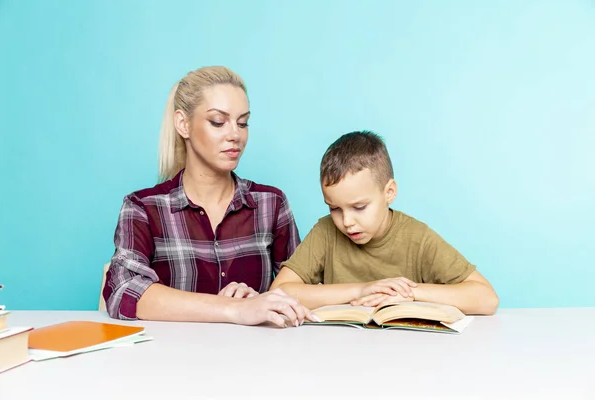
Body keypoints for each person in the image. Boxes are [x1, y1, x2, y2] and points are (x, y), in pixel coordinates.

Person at [103, 66, 318, 327]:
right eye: (218, 122)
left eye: (243, 123)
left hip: (256, 361)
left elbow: (302, 290)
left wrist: (263, 301)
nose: (235, 135)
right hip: (168, 361)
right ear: (183, 123)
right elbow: (124, 291)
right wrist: (233, 309)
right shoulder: (143, 208)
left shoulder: (271, 204)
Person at [271, 130, 499, 314]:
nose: (347, 221)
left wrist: (408, 292)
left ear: (389, 192)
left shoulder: (416, 237)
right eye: (334, 209)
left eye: (359, 207)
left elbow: (486, 298)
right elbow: (279, 291)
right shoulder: (326, 232)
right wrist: (362, 289)